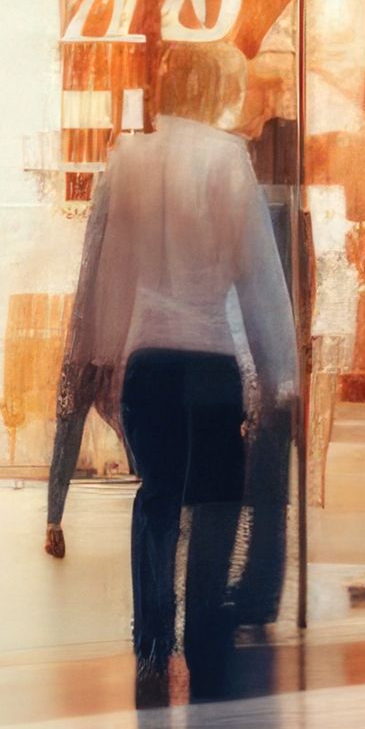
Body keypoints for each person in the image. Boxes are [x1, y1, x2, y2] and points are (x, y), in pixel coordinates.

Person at [62, 38, 302, 668]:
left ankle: (151, 631)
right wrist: (279, 372)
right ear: (215, 89)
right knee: (214, 499)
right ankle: (203, 631)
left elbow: (103, 268)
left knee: (157, 494)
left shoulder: (127, 155)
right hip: (211, 355)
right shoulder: (227, 158)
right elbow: (256, 275)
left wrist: (99, 357)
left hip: (147, 358)